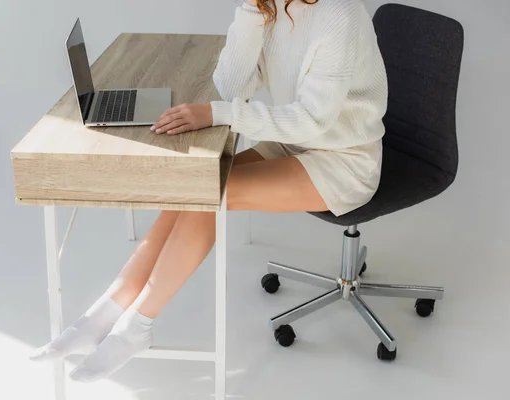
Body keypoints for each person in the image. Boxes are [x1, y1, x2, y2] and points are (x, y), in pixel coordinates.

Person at [30, 0, 388, 382]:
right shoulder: (275, 7)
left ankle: (136, 326)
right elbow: (232, 86)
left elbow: (314, 121)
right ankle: (104, 314)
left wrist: (219, 113)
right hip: (295, 143)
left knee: (208, 192)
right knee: (190, 185)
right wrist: (252, 11)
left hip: (345, 161)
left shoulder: (340, 13)